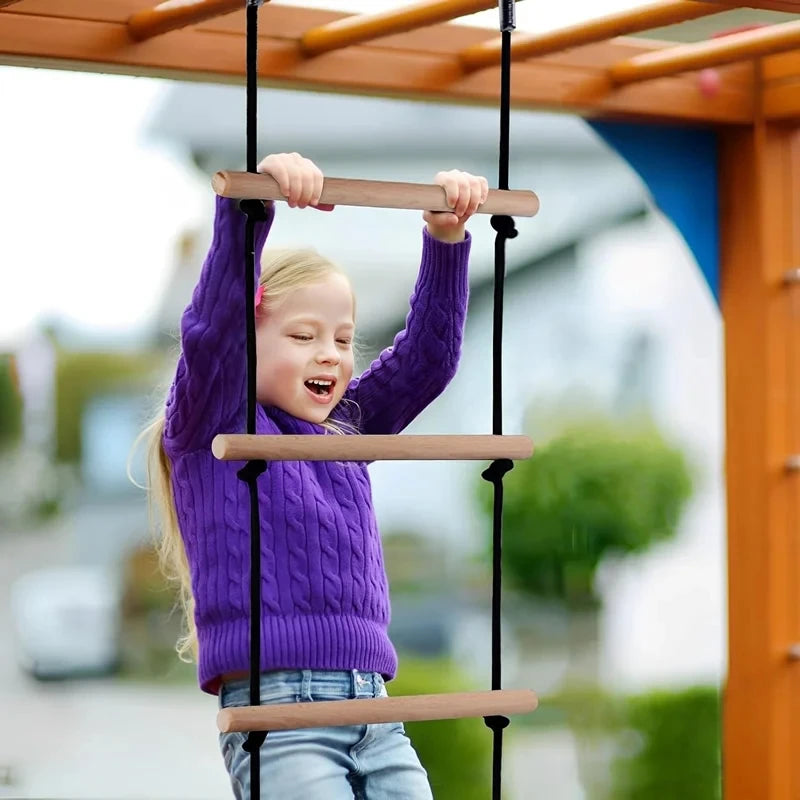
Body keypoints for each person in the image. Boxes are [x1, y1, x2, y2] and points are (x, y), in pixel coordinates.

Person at [144, 151, 488, 799]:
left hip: (375, 710)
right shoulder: (215, 421)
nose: (329, 353)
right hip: (281, 718)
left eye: (341, 338)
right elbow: (212, 330)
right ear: (251, 338)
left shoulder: (344, 433)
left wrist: (446, 238)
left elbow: (426, 361)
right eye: (304, 335)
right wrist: (254, 209)